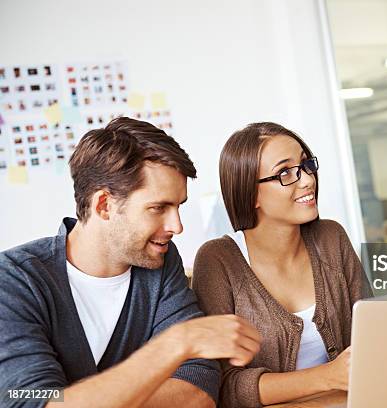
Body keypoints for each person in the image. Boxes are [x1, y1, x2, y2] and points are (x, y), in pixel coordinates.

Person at [0, 117, 262, 408]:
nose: (177, 226)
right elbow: (30, 400)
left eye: (178, 207)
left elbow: (198, 388)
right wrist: (175, 345)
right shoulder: (14, 281)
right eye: (158, 208)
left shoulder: (161, 262)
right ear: (104, 205)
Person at [192, 122, 372, 407]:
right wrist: (327, 377)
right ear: (250, 193)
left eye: (305, 164)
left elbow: (369, 334)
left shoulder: (331, 237)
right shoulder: (218, 261)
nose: (307, 180)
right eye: (285, 172)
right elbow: (222, 386)